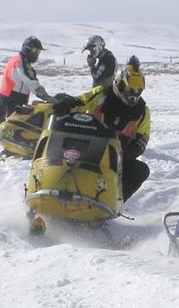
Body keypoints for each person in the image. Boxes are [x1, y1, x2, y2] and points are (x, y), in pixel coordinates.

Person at [54, 56, 150, 202]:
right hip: (86, 148)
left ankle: (113, 200)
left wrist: (125, 153)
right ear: (119, 84)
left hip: (116, 158)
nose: (133, 94)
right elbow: (80, 101)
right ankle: (51, 183)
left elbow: (142, 140)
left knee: (140, 170)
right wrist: (66, 103)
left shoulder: (142, 112)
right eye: (130, 89)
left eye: (137, 90)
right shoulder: (101, 94)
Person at [0, 36, 55, 116]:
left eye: (38, 51)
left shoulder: (17, 60)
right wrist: (45, 96)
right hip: (11, 100)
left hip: (10, 98)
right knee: (14, 126)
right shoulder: (20, 63)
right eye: (35, 50)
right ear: (27, 48)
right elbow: (30, 81)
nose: (36, 54)